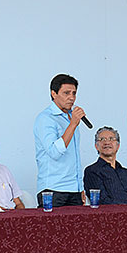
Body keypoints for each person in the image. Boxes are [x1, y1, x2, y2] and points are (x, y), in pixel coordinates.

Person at [34, 73, 88, 208]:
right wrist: (73, 124)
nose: (71, 97)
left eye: (74, 93)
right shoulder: (45, 118)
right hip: (53, 190)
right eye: (66, 93)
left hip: (74, 190)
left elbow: (74, 157)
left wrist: (80, 187)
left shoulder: (71, 117)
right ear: (54, 93)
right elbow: (54, 152)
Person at [82, 127, 127, 205]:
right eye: (102, 139)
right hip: (112, 215)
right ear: (96, 146)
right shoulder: (92, 171)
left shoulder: (126, 173)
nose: (107, 143)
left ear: (118, 146)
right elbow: (102, 201)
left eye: (111, 139)